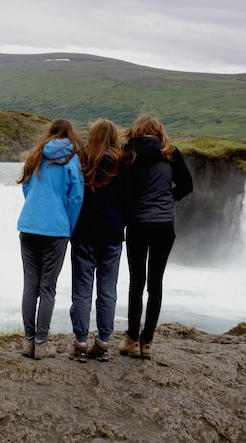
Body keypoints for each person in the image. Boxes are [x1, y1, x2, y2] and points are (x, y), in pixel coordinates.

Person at [119, 115, 193, 359]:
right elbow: (187, 185)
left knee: (136, 283)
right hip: (163, 225)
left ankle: (131, 338)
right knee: (155, 283)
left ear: (137, 131)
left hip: (138, 224)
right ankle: (147, 341)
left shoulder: (128, 153)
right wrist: (168, 197)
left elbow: (121, 186)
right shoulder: (170, 152)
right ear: (158, 131)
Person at [17, 118, 85, 360]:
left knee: (30, 286)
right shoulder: (71, 159)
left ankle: (27, 342)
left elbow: (26, 189)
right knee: (47, 288)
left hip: (29, 225)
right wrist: (69, 226)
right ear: (70, 135)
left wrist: (35, 211)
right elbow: (76, 198)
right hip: (56, 229)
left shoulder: (35, 156)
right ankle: (41, 343)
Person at [69, 119, 132, 363]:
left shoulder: (83, 162)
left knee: (82, 290)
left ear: (92, 136)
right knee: (108, 290)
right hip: (113, 235)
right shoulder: (122, 164)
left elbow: (74, 196)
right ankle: (104, 342)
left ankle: (81, 343)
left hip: (84, 234)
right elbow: (129, 201)